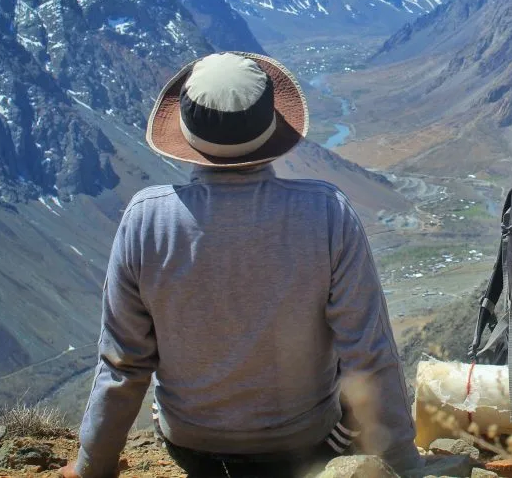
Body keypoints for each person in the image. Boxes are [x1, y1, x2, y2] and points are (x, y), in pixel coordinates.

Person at [62, 52, 422, 478]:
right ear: (271, 130)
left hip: (191, 445)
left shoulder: (146, 218)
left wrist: (92, 466)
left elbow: (123, 362)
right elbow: (368, 353)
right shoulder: (327, 212)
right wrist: (403, 465)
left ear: (187, 136)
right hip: (305, 443)